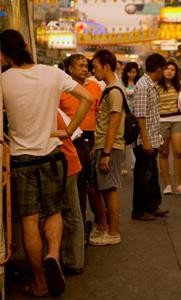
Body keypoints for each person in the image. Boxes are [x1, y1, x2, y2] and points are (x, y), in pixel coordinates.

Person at [1, 29, 93, 297]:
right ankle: (53, 254)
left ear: (3, 56)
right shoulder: (53, 73)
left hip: (21, 160)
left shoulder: (4, 80)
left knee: (30, 220)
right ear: (27, 46)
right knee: (54, 212)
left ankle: (40, 281)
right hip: (53, 155)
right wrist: (68, 130)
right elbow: (86, 98)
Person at [59, 54, 102, 232]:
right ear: (70, 69)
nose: (85, 69)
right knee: (76, 184)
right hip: (70, 140)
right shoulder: (61, 89)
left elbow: (99, 113)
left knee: (93, 184)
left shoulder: (95, 86)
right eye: (80, 66)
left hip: (91, 139)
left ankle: (100, 220)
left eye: (86, 65)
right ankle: (79, 224)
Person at [89, 49, 127, 245]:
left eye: (95, 66)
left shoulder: (114, 91)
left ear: (106, 66)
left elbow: (113, 123)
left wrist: (106, 152)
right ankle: (107, 228)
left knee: (110, 189)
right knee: (102, 188)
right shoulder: (111, 88)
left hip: (110, 146)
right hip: (103, 145)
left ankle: (113, 233)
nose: (92, 71)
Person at [132, 53, 169, 221]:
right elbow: (140, 116)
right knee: (143, 176)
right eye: (164, 69)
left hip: (152, 138)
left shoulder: (151, 84)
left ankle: (152, 205)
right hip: (144, 140)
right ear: (159, 68)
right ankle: (139, 210)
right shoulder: (143, 86)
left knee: (152, 174)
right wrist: (146, 141)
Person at [56, 113, 85, 276]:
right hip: (69, 161)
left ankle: (69, 260)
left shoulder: (48, 109)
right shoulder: (54, 108)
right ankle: (74, 261)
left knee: (64, 214)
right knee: (72, 213)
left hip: (63, 163)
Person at [158, 60, 181, 196]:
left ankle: (178, 184)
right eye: (167, 69)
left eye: (172, 69)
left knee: (178, 151)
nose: (169, 71)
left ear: (176, 72)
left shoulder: (180, 85)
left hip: (177, 120)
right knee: (163, 153)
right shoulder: (156, 86)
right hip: (161, 121)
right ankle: (167, 185)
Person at [121, 62, 141, 176]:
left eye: (134, 72)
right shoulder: (121, 82)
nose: (132, 74)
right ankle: (123, 165)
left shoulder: (139, 83)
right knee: (123, 141)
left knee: (135, 139)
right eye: (130, 72)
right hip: (125, 114)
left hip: (136, 113)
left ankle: (135, 163)